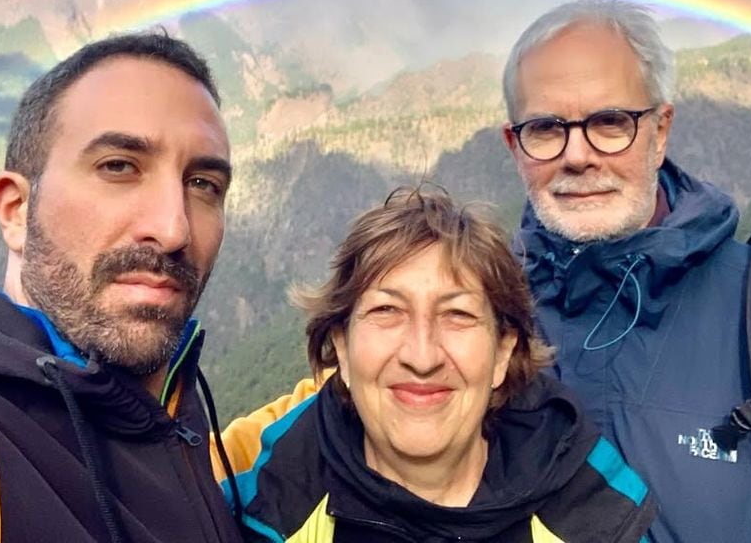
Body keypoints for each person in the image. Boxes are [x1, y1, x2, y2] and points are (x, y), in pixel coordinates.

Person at [499, 0, 751, 542]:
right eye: (547, 128)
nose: (577, 155)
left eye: (610, 121)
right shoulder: (474, 319)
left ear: (661, 130)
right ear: (515, 145)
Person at [0, 33, 243, 542]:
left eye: (203, 184)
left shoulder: (157, 401)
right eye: (119, 167)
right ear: (15, 210)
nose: (174, 230)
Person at [219, 186, 657, 542]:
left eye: (458, 315)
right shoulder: (261, 512)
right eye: (387, 311)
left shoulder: (589, 517)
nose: (422, 356)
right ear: (343, 350)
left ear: (503, 353)